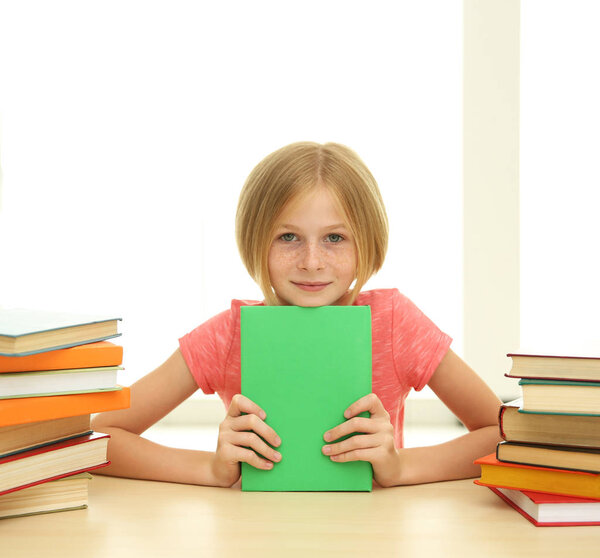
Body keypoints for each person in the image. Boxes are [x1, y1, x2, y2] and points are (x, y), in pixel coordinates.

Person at [92, 141, 502, 488]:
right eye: (288, 237)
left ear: (367, 243)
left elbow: (500, 433)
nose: (311, 261)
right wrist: (211, 469)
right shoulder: (230, 334)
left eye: (334, 238)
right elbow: (98, 435)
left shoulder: (395, 323)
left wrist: (400, 468)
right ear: (255, 240)